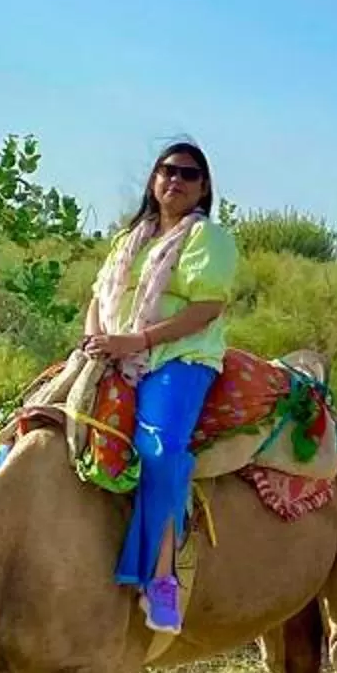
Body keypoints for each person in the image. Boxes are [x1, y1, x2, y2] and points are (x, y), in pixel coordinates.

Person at [80, 140, 239, 634]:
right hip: (112, 349)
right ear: (153, 178)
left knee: (159, 449)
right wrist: (95, 341)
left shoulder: (207, 239)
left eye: (188, 174)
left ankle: (161, 575)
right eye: (167, 170)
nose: (175, 180)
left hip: (177, 355)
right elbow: (97, 297)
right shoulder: (132, 239)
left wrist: (138, 339)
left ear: (203, 187)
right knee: (27, 422)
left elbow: (206, 307)